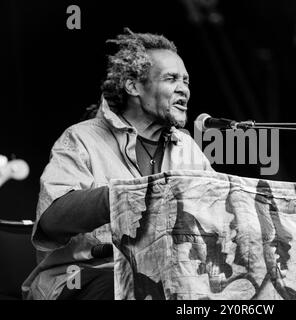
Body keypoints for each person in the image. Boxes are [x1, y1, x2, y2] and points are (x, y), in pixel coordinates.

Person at [22, 28, 213, 300]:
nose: (184, 89)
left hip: (169, 278)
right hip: (82, 277)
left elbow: (218, 212)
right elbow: (51, 220)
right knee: (144, 287)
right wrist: (127, 196)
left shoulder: (188, 149)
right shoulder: (81, 138)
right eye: (171, 78)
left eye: (186, 81)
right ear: (133, 86)